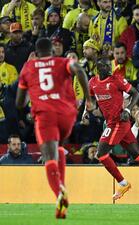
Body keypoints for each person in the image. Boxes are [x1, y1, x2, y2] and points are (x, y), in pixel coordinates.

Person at [15, 37, 92, 219]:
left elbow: (19, 102)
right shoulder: (63, 61)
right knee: (59, 148)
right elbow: (79, 69)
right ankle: (62, 193)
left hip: (45, 115)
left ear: (35, 53)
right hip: (67, 115)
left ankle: (60, 192)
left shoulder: (28, 67)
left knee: (49, 156)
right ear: (52, 51)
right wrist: (88, 98)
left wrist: (30, 94)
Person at [85, 57, 139, 201]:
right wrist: (86, 111)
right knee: (138, 155)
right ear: (98, 68)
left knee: (101, 153)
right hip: (112, 122)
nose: (109, 68)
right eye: (104, 65)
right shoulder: (93, 83)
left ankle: (123, 183)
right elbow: (91, 99)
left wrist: (128, 110)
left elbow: (136, 93)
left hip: (118, 122)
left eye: (109, 65)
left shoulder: (116, 79)